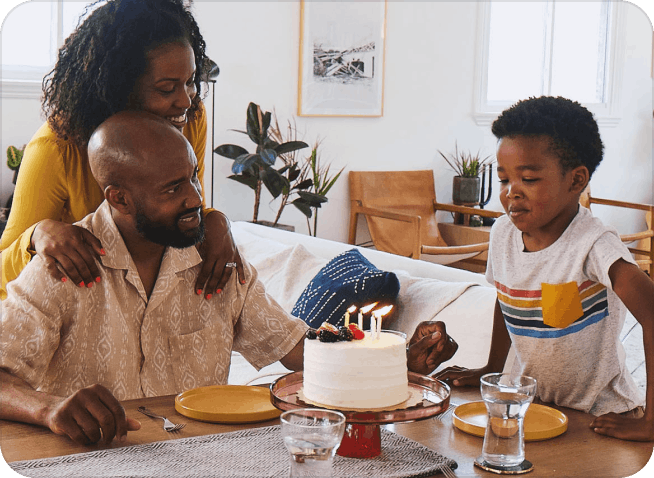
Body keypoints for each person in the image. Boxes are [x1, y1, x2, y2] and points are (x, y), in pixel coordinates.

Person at [0, 111, 457, 445]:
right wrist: (49, 407)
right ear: (119, 198)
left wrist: (395, 360)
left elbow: (298, 350)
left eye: (194, 179)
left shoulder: (216, 259)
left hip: (202, 460)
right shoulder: (62, 265)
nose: (195, 199)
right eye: (173, 189)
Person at [438, 96, 654, 442]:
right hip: (532, 408)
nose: (511, 193)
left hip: (598, 415)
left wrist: (651, 422)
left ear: (576, 180)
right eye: (504, 179)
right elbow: (506, 299)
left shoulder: (594, 244)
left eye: (529, 179)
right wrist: (493, 367)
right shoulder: (503, 233)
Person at [0, 0, 242, 300]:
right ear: (118, 88)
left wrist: (217, 221)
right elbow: (3, 270)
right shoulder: (57, 149)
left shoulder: (190, 120)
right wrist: (36, 237)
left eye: (191, 81)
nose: (185, 101)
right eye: (166, 89)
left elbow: (185, 202)